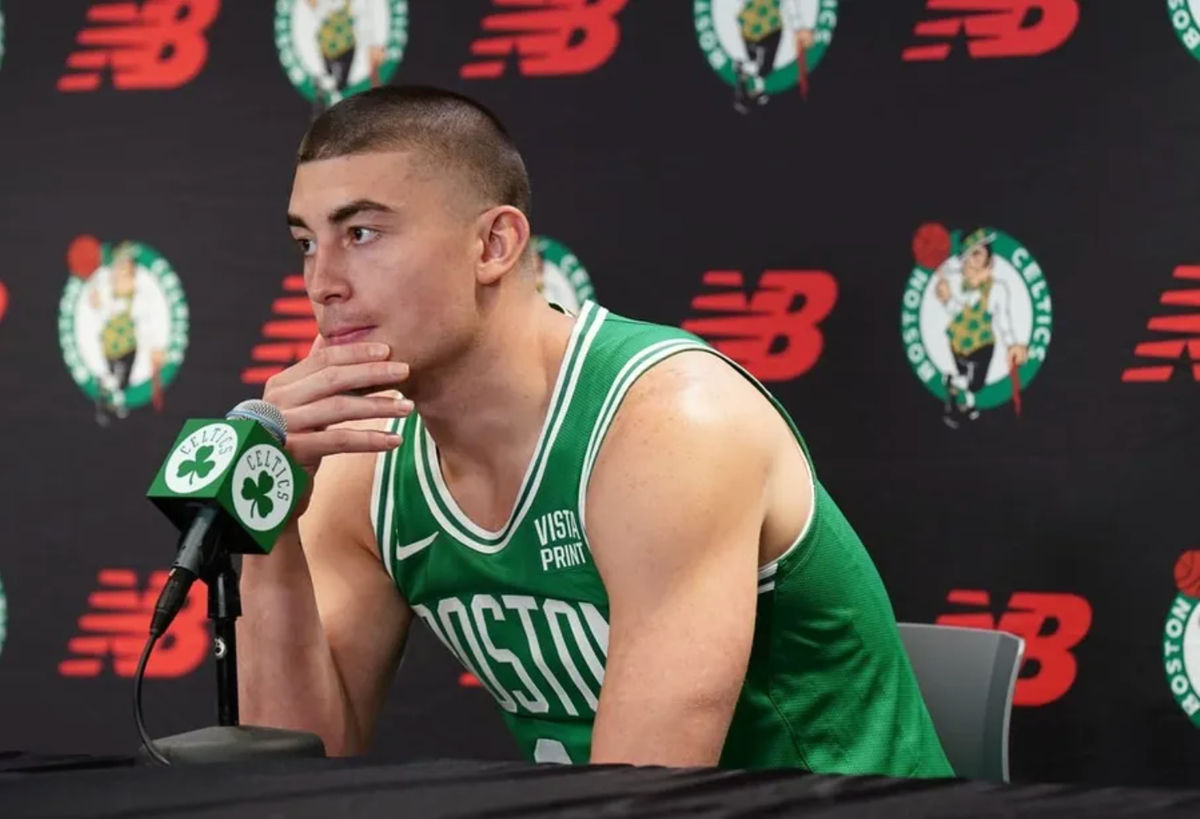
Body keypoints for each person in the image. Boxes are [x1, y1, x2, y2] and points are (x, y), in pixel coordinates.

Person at [238, 85, 952, 775]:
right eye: (306, 241)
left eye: (361, 234)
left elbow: (642, 793)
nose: (321, 282)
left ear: (493, 244)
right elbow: (292, 771)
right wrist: (271, 510)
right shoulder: (365, 457)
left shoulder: (672, 426)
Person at [934, 228, 1028, 428]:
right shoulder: (956, 282)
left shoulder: (997, 288)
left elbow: (1003, 319)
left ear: (990, 260)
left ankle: (954, 386)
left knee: (975, 385)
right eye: (969, 255)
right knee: (965, 379)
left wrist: (1012, 344)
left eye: (978, 253)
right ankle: (960, 405)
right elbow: (956, 311)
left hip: (982, 344)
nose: (973, 259)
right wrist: (946, 298)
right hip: (957, 341)